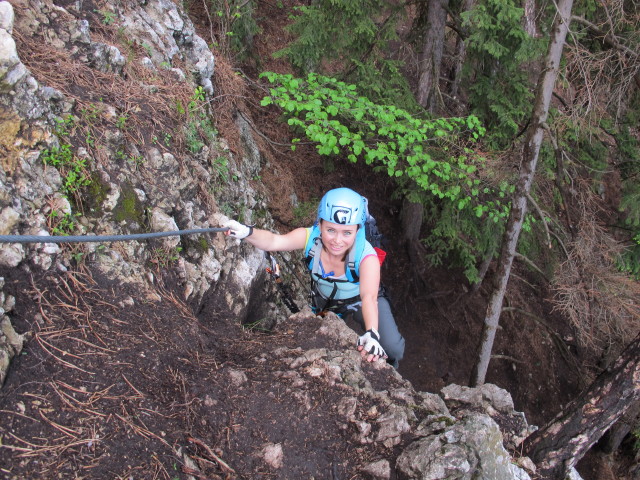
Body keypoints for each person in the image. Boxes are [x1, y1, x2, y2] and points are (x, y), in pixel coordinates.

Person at [224, 187, 405, 368]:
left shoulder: (366, 256)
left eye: (347, 233)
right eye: (331, 230)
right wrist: (247, 232)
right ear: (319, 224)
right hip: (324, 301)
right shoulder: (310, 238)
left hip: (358, 300)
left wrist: (372, 333)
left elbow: (369, 297)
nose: (337, 240)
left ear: (358, 230)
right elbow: (274, 241)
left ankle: (389, 368)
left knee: (393, 348)